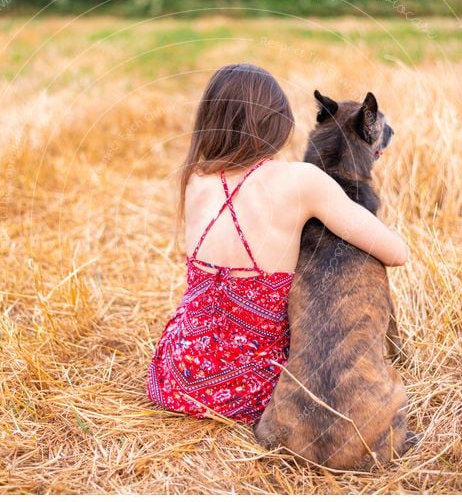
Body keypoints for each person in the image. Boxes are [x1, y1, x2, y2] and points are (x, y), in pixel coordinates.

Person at [146, 64, 408, 424]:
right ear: (277, 123)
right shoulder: (300, 182)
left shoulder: (194, 177)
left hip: (178, 375)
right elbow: (397, 253)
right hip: (253, 389)